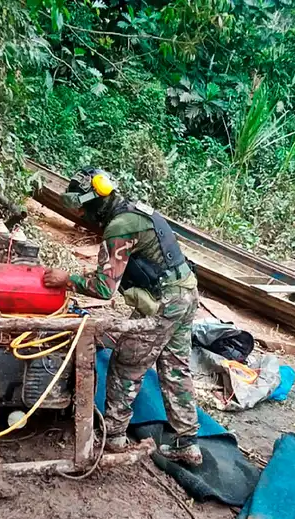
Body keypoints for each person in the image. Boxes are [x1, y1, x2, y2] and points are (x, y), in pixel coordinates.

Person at [42, 166, 202, 467]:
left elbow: (105, 289)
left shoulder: (119, 227)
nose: (82, 216)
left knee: (127, 362)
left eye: (82, 208)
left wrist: (67, 279)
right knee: (176, 368)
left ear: (93, 201)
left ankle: (114, 436)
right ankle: (188, 443)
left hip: (164, 303)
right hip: (185, 294)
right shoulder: (135, 212)